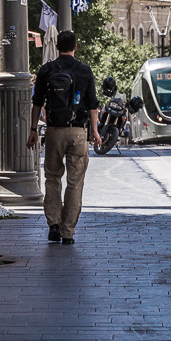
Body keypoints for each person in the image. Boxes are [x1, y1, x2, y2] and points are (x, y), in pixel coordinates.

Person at [27, 30, 100, 245]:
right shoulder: (84, 71)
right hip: (78, 132)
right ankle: (68, 231)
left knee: (52, 178)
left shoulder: (47, 70)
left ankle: (54, 224)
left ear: (57, 47)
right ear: (75, 46)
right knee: (75, 182)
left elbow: (37, 103)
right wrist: (94, 131)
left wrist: (33, 130)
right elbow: (93, 105)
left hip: (54, 131)